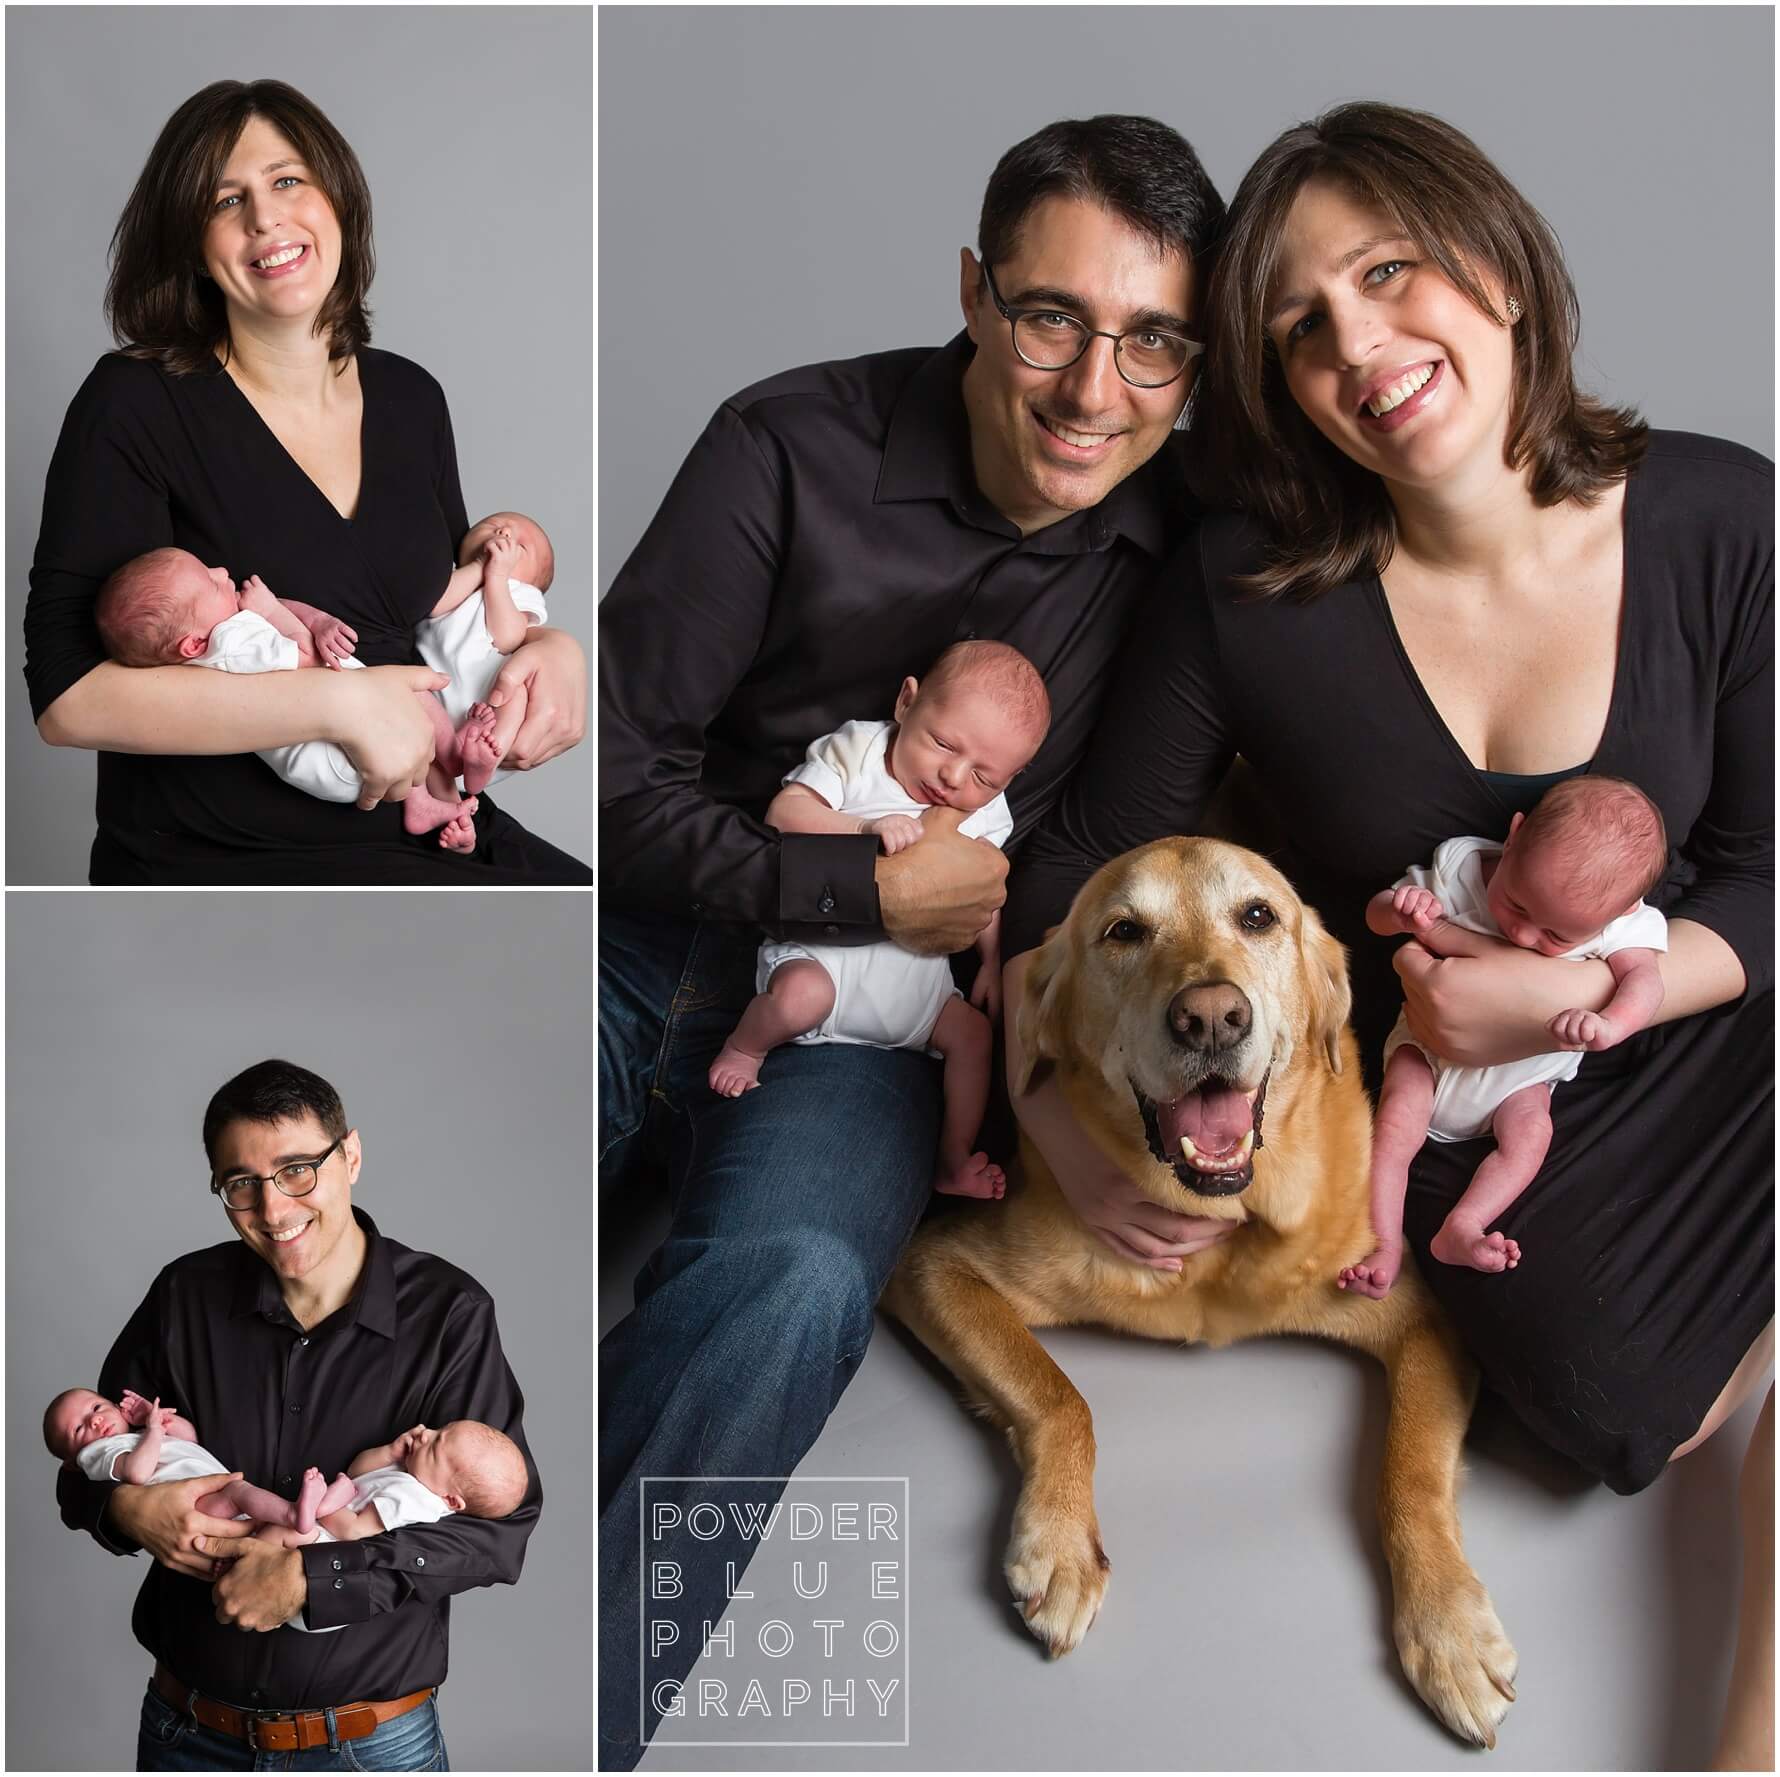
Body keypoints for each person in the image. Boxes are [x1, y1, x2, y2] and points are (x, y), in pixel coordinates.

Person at [1002, 102, 1772, 1769]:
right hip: (1500, 1115)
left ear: (1494, 268)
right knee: (1603, 1396)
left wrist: (1581, 996)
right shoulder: (1251, 592)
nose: (1361, 344)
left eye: (1390, 273)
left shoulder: (1717, 513)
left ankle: (1749, 1745)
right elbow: (1067, 861)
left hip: (1712, 1001)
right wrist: (1059, 1101)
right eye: (1301, 326)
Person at [598, 114, 1225, 1765]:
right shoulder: (784, 448)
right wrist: (847, 894)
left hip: (875, 1034)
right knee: (409, 1227)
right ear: (972, 290)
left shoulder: (1176, 556)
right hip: (641, 942)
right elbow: (597, 776)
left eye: (1154, 339)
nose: (1096, 390)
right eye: (1051, 320)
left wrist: (1069, 1117)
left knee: (795, 1282)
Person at [23, 79, 587, 883]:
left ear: (338, 201)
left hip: (438, 824)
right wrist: (333, 703)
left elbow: (437, 622)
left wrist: (550, 645)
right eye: (226, 200)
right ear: (193, 245)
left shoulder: (411, 398)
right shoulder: (134, 400)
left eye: (288, 181)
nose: (265, 218)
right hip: (240, 862)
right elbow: (67, 698)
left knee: (609, 933)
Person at [56, 1058, 541, 1770]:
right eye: (240, 1184)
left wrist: (318, 1579)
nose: (273, 1209)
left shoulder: (450, 1314)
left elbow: (499, 1535)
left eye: (296, 1170)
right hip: (185, 1734)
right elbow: (80, 1466)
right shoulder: (183, 1296)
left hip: (371, 1746)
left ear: (350, 1156)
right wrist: (129, 1512)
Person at [709, 639, 1053, 1200]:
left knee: (972, 1037)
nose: (953, 777)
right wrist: (860, 833)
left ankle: (951, 1159)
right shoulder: (859, 751)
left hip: (914, 992)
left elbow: (986, 889)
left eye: (986, 777)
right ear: (906, 702)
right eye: (943, 743)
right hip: (825, 964)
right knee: (797, 999)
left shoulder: (986, 813)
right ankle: (745, 1048)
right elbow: (784, 812)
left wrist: (990, 962)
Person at [1341, 775, 1669, 1296]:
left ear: (1622, 912)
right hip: (1427, 1050)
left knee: (1532, 1136)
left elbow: (1646, 981)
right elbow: (1375, 917)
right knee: (1395, 1126)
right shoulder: (1460, 867)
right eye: (1516, 904)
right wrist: (1397, 909)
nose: (1523, 934)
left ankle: (1464, 1225)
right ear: (1513, 838)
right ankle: (1381, 1241)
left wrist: (1612, 1024)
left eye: (1556, 937)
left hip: (1521, 1078)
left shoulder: (1623, 925)